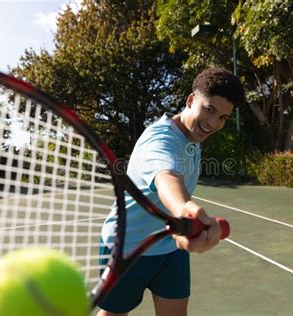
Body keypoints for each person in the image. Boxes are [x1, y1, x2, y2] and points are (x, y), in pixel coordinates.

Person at [98, 67, 245, 316]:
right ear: (190, 100)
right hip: (129, 247)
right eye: (209, 109)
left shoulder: (192, 137)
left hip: (169, 245)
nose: (213, 123)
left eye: (223, 117)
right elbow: (166, 176)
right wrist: (184, 210)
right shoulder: (159, 139)